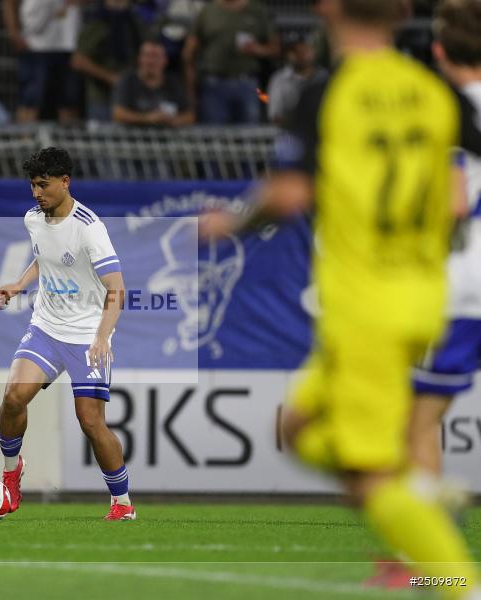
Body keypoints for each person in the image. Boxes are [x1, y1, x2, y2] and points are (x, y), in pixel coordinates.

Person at [200, 0, 481, 593]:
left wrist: (231, 221)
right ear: (402, 13)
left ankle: (457, 583)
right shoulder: (435, 94)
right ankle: (418, 492)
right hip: (421, 298)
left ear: (328, 9)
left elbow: (288, 195)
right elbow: (457, 199)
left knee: (368, 474)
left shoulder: (330, 93)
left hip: (364, 307)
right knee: (298, 429)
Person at [0, 147, 135, 521]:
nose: (37, 193)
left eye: (43, 185)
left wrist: (103, 336)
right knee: (12, 398)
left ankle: (122, 503)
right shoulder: (33, 219)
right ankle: (11, 475)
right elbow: (45, 257)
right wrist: (20, 284)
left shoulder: (89, 227)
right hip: (45, 327)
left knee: (89, 421)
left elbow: (117, 288)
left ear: (64, 182)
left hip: (87, 335)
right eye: (32, 186)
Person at [409, 0, 481, 495]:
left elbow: (454, 203)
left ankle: (429, 568)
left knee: (418, 421)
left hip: (464, 282)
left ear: (438, 50)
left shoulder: (448, 109)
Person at [182, 0, 279, 124]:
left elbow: (275, 48)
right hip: (213, 85)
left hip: (248, 84)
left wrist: (257, 49)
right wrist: (191, 88)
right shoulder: (208, 11)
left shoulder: (257, 10)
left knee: (250, 137)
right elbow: (189, 52)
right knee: (213, 137)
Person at [6, 0, 83, 124]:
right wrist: (13, 31)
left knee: (69, 102)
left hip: (67, 43)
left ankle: (67, 143)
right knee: (30, 102)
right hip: (34, 42)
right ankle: (25, 141)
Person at [71, 0, 145, 122]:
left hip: (131, 96)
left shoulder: (133, 21)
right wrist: (110, 77)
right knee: (103, 137)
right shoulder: (98, 22)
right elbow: (78, 60)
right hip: (102, 97)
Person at [113, 39, 194, 127]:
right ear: (139, 58)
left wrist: (173, 120)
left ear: (165, 60)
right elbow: (118, 114)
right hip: (133, 138)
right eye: (147, 56)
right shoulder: (128, 81)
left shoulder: (173, 83)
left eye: (156, 56)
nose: (151, 61)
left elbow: (190, 116)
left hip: (167, 138)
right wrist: (148, 118)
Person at [266, 33, 327, 125]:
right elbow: (275, 115)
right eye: (294, 52)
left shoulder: (324, 76)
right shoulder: (279, 79)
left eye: (305, 50)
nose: (299, 55)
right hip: (292, 132)